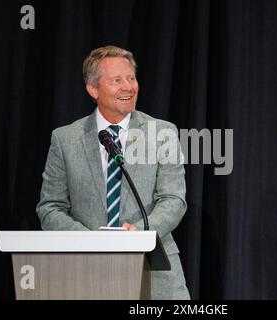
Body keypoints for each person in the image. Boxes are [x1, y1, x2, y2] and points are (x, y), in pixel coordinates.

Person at [36, 45, 190, 300]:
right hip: (85, 272)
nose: (128, 87)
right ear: (93, 89)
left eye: (131, 78)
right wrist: (89, 242)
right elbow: (50, 207)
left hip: (154, 274)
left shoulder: (162, 132)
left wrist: (138, 233)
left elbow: (174, 200)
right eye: (117, 80)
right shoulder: (65, 139)